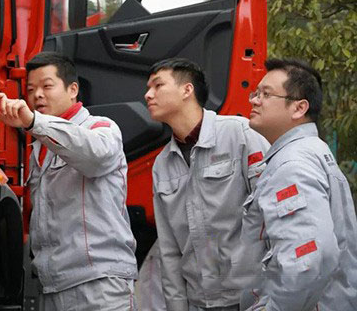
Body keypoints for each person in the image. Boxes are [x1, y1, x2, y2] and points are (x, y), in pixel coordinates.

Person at [0, 52, 138, 311]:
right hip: (52, 287)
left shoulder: (101, 127)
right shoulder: (39, 146)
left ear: (73, 89)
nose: (37, 95)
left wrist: (34, 122)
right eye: (31, 89)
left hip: (99, 284)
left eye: (47, 86)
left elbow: (95, 156)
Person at [145, 58, 269, 311]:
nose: (148, 95)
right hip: (201, 302)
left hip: (254, 298)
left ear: (187, 90)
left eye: (158, 85)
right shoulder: (163, 164)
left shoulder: (239, 134)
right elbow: (169, 249)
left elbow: (272, 215)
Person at [241, 58, 357, 310]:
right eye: (256, 93)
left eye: (266, 94)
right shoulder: (312, 151)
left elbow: (308, 261)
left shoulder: (292, 165)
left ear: (299, 108)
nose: (254, 100)